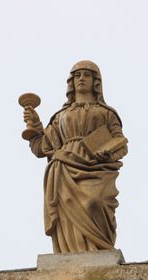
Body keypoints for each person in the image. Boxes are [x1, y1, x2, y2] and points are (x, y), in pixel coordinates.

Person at [23, 60, 128, 253]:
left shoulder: (106, 113)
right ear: (71, 82)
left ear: (96, 81)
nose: (81, 79)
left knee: (95, 202)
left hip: (97, 166)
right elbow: (42, 147)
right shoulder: (60, 115)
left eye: (87, 75)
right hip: (64, 167)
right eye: (77, 75)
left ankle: (98, 248)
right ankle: (69, 253)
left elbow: (120, 141)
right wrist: (35, 127)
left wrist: (107, 152)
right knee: (66, 214)